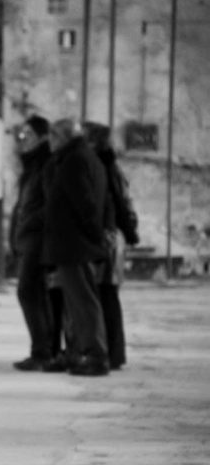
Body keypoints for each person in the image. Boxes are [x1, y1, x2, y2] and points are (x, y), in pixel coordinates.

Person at [42, 119, 110, 376]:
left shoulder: (75, 161)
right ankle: (80, 351)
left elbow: (85, 204)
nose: (50, 141)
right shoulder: (80, 157)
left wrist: (93, 241)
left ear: (63, 137)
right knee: (76, 302)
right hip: (74, 244)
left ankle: (95, 354)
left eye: (53, 136)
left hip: (76, 245)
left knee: (83, 302)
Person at [83, 121, 140, 370]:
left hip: (108, 238)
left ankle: (111, 352)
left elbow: (117, 204)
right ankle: (113, 352)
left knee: (105, 295)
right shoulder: (108, 167)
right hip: (112, 236)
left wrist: (126, 232)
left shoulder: (103, 169)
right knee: (106, 295)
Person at [9, 115, 58, 371]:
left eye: (28, 135)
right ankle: (42, 349)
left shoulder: (45, 165)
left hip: (38, 240)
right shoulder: (33, 165)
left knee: (29, 291)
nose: (23, 139)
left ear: (42, 138)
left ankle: (43, 350)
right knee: (32, 292)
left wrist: (28, 223)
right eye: (21, 135)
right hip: (29, 238)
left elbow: (49, 205)